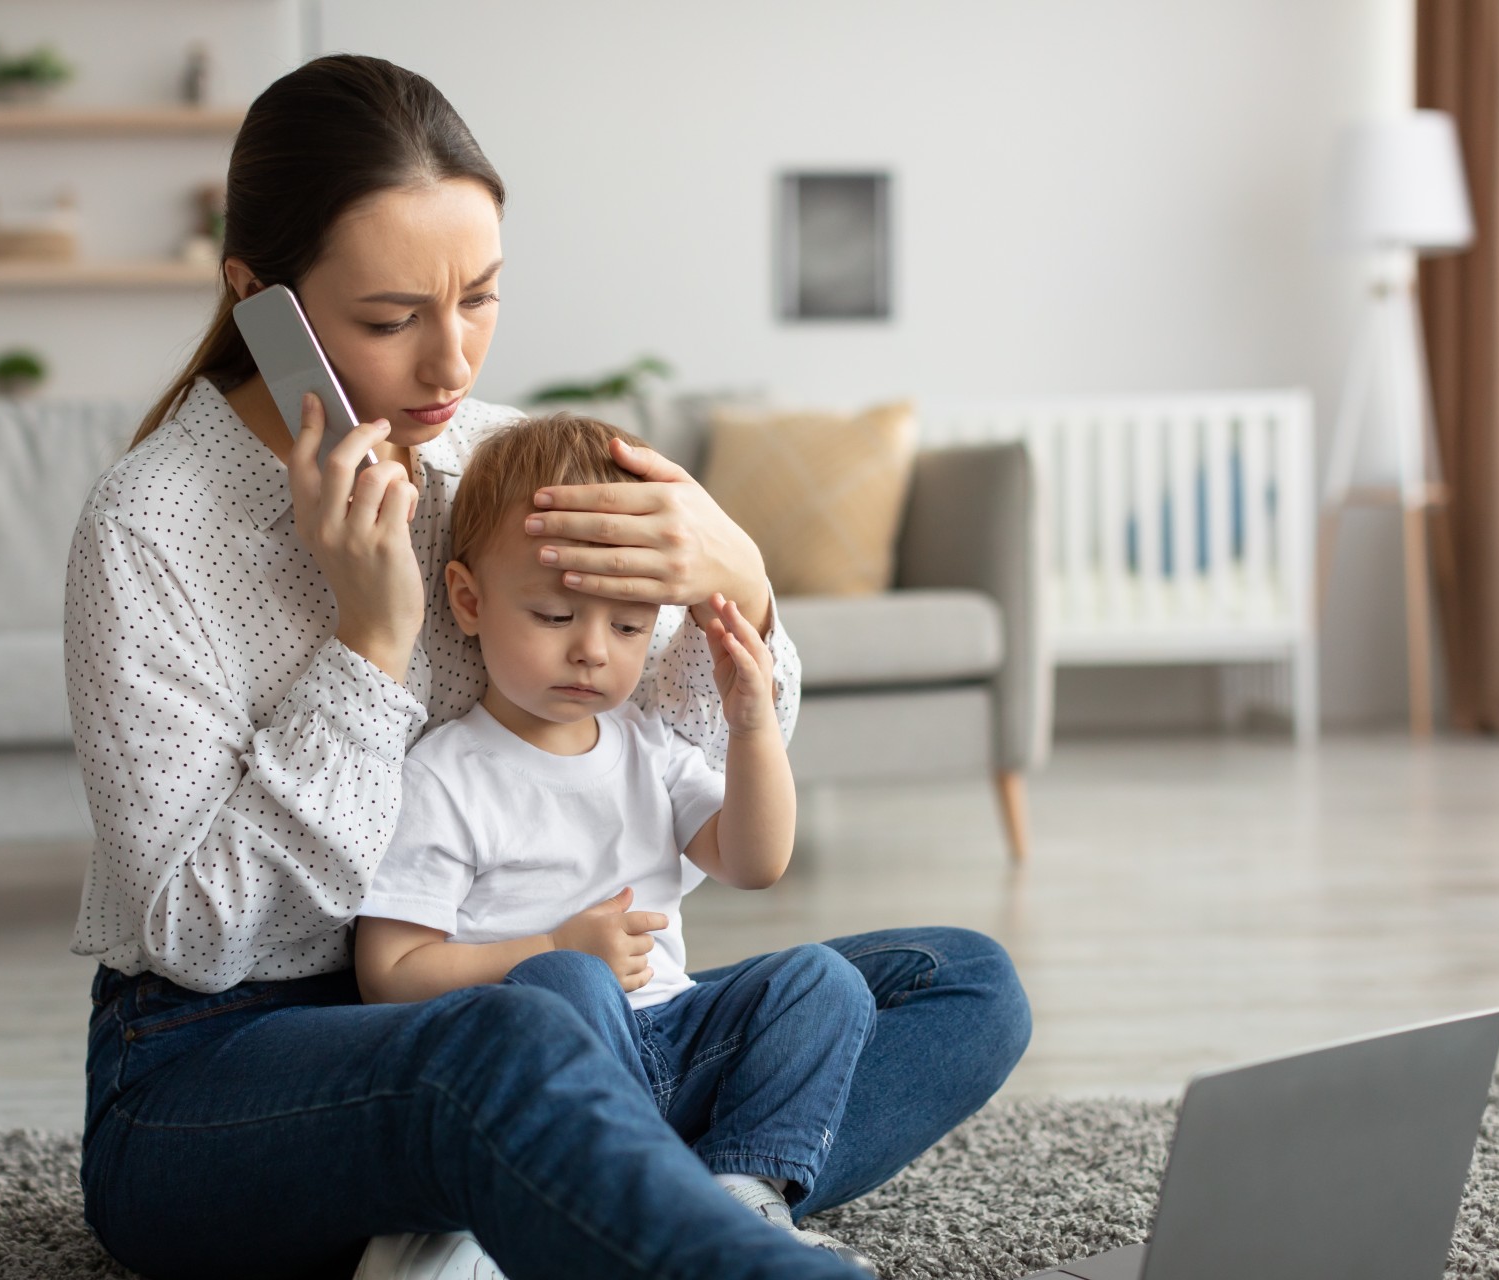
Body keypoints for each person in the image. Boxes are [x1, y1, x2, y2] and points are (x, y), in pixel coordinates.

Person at [67, 52, 1032, 1280]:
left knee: (959, 985)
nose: (452, 364)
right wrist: (370, 646)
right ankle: (704, 1239)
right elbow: (200, 934)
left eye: (479, 297)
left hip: (547, 1009)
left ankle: (513, 1206)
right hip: (218, 1068)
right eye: (388, 319)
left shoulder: (504, 465)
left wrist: (738, 582)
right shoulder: (150, 527)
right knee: (524, 1033)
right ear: (262, 300)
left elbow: (682, 755)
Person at [353, 415, 880, 1270]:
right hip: (548, 1065)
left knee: (822, 981)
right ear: (468, 600)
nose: (593, 651)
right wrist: (557, 947)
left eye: (630, 627)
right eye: (555, 614)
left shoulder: (648, 746)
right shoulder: (447, 774)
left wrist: (752, 730)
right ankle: (579, 1202)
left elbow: (755, 861)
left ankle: (740, 1191)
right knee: (565, 982)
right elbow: (391, 973)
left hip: (670, 1039)